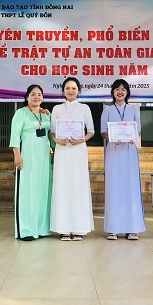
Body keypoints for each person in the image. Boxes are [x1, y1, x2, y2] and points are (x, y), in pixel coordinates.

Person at [100, 79, 146, 240]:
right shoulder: (107, 109)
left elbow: (137, 129)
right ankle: (113, 228)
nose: (120, 92)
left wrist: (134, 136)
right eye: (117, 89)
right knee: (113, 187)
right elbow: (103, 131)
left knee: (131, 187)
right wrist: (112, 137)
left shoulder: (133, 109)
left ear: (127, 92)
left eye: (123, 89)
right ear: (112, 92)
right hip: (113, 151)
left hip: (129, 150)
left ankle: (132, 228)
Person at [50, 77, 95, 241]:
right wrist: (56, 139)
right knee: (62, 185)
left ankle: (79, 228)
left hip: (78, 150)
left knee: (78, 185)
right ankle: (63, 228)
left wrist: (82, 139)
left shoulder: (84, 108)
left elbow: (91, 130)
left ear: (79, 91)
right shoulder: (56, 108)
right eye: (67, 88)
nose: (70, 91)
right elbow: (52, 130)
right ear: (63, 91)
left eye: (74, 88)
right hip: (62, 150)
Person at [9, 84, 53, 241]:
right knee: (27, 191)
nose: (36, 96)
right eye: (33, 94)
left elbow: (52, 135)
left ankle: (42, 228)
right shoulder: (21, 113)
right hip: (27, 156)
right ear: (27, 97)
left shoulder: (47, 115)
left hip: (44, 157)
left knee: (43, 191)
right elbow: (15, 135)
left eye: (39, 94)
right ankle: (27, 229)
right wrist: (17, 155)